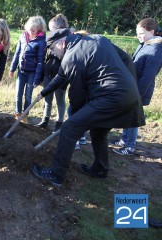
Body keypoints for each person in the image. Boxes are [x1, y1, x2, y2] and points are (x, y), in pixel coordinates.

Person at [32, 29, 145, 187]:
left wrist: (78, 118)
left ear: (61, 43)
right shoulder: (98, 39)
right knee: (98, 131)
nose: (52, 53)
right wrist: (44, 92)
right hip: (129, 95)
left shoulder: (72, 56)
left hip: (109, 97)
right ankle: (100, 169)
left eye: (52, 49)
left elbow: (76, 96)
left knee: (69, 128)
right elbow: (126, 59)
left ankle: (56, 174)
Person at [112, 18, 162, 155]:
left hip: (140, 90)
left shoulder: (156, 50)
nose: (138, 36)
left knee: (133, 117)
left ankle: (129, 146)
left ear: (152, 31)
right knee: (128, 114)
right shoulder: (146, 43)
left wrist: (137, 95)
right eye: (137, 33)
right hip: (132, 87)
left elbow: (147, 76)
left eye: (141, 33)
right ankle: (124, 139)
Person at [9, 16, 47, 123]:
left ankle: (24, 116)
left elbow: (40, 61)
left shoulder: (41, 42)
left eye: (33, 30)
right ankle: (18, 114)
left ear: (39, 29)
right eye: (29, 29)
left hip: (32, 73)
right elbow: (17, 54)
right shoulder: (23, 36)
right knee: (18, 94)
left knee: (28, 96)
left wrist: (37, 78)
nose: (30, 32)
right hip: (21, 71)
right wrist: (12, 69)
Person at [35, 14, 68, 131]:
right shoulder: (50, 39)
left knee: (60, 99)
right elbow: (46, 56)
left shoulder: (67, 38)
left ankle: (59, 122)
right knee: (47, 98)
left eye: (52, 28)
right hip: (48, 71)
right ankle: (45, 119)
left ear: (59, 26)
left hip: (61, 74)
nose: (51, 31)